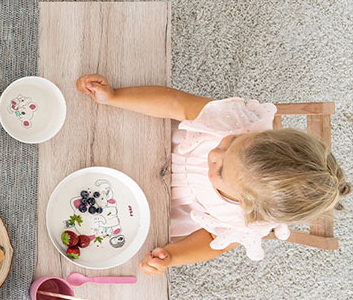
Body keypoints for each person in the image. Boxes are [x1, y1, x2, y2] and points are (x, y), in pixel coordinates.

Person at [75, 74, 350, 276]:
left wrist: (172, 256)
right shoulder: (235, 122)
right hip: (142, 143)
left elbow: (212, 241)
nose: (214, 155)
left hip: (145, 204)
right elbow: (175, 103)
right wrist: (115, 97)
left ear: (245, 203)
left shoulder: (244, 220)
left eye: (218, 171)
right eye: (229, 143)